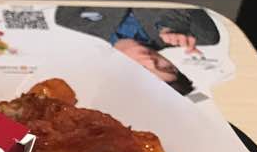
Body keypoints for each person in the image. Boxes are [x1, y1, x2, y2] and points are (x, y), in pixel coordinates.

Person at [54, 7, 219, 96]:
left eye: (145, 72)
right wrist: (171, 24)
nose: (150, 61)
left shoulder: (71, 25)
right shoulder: (190, 35)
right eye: (166, 67)